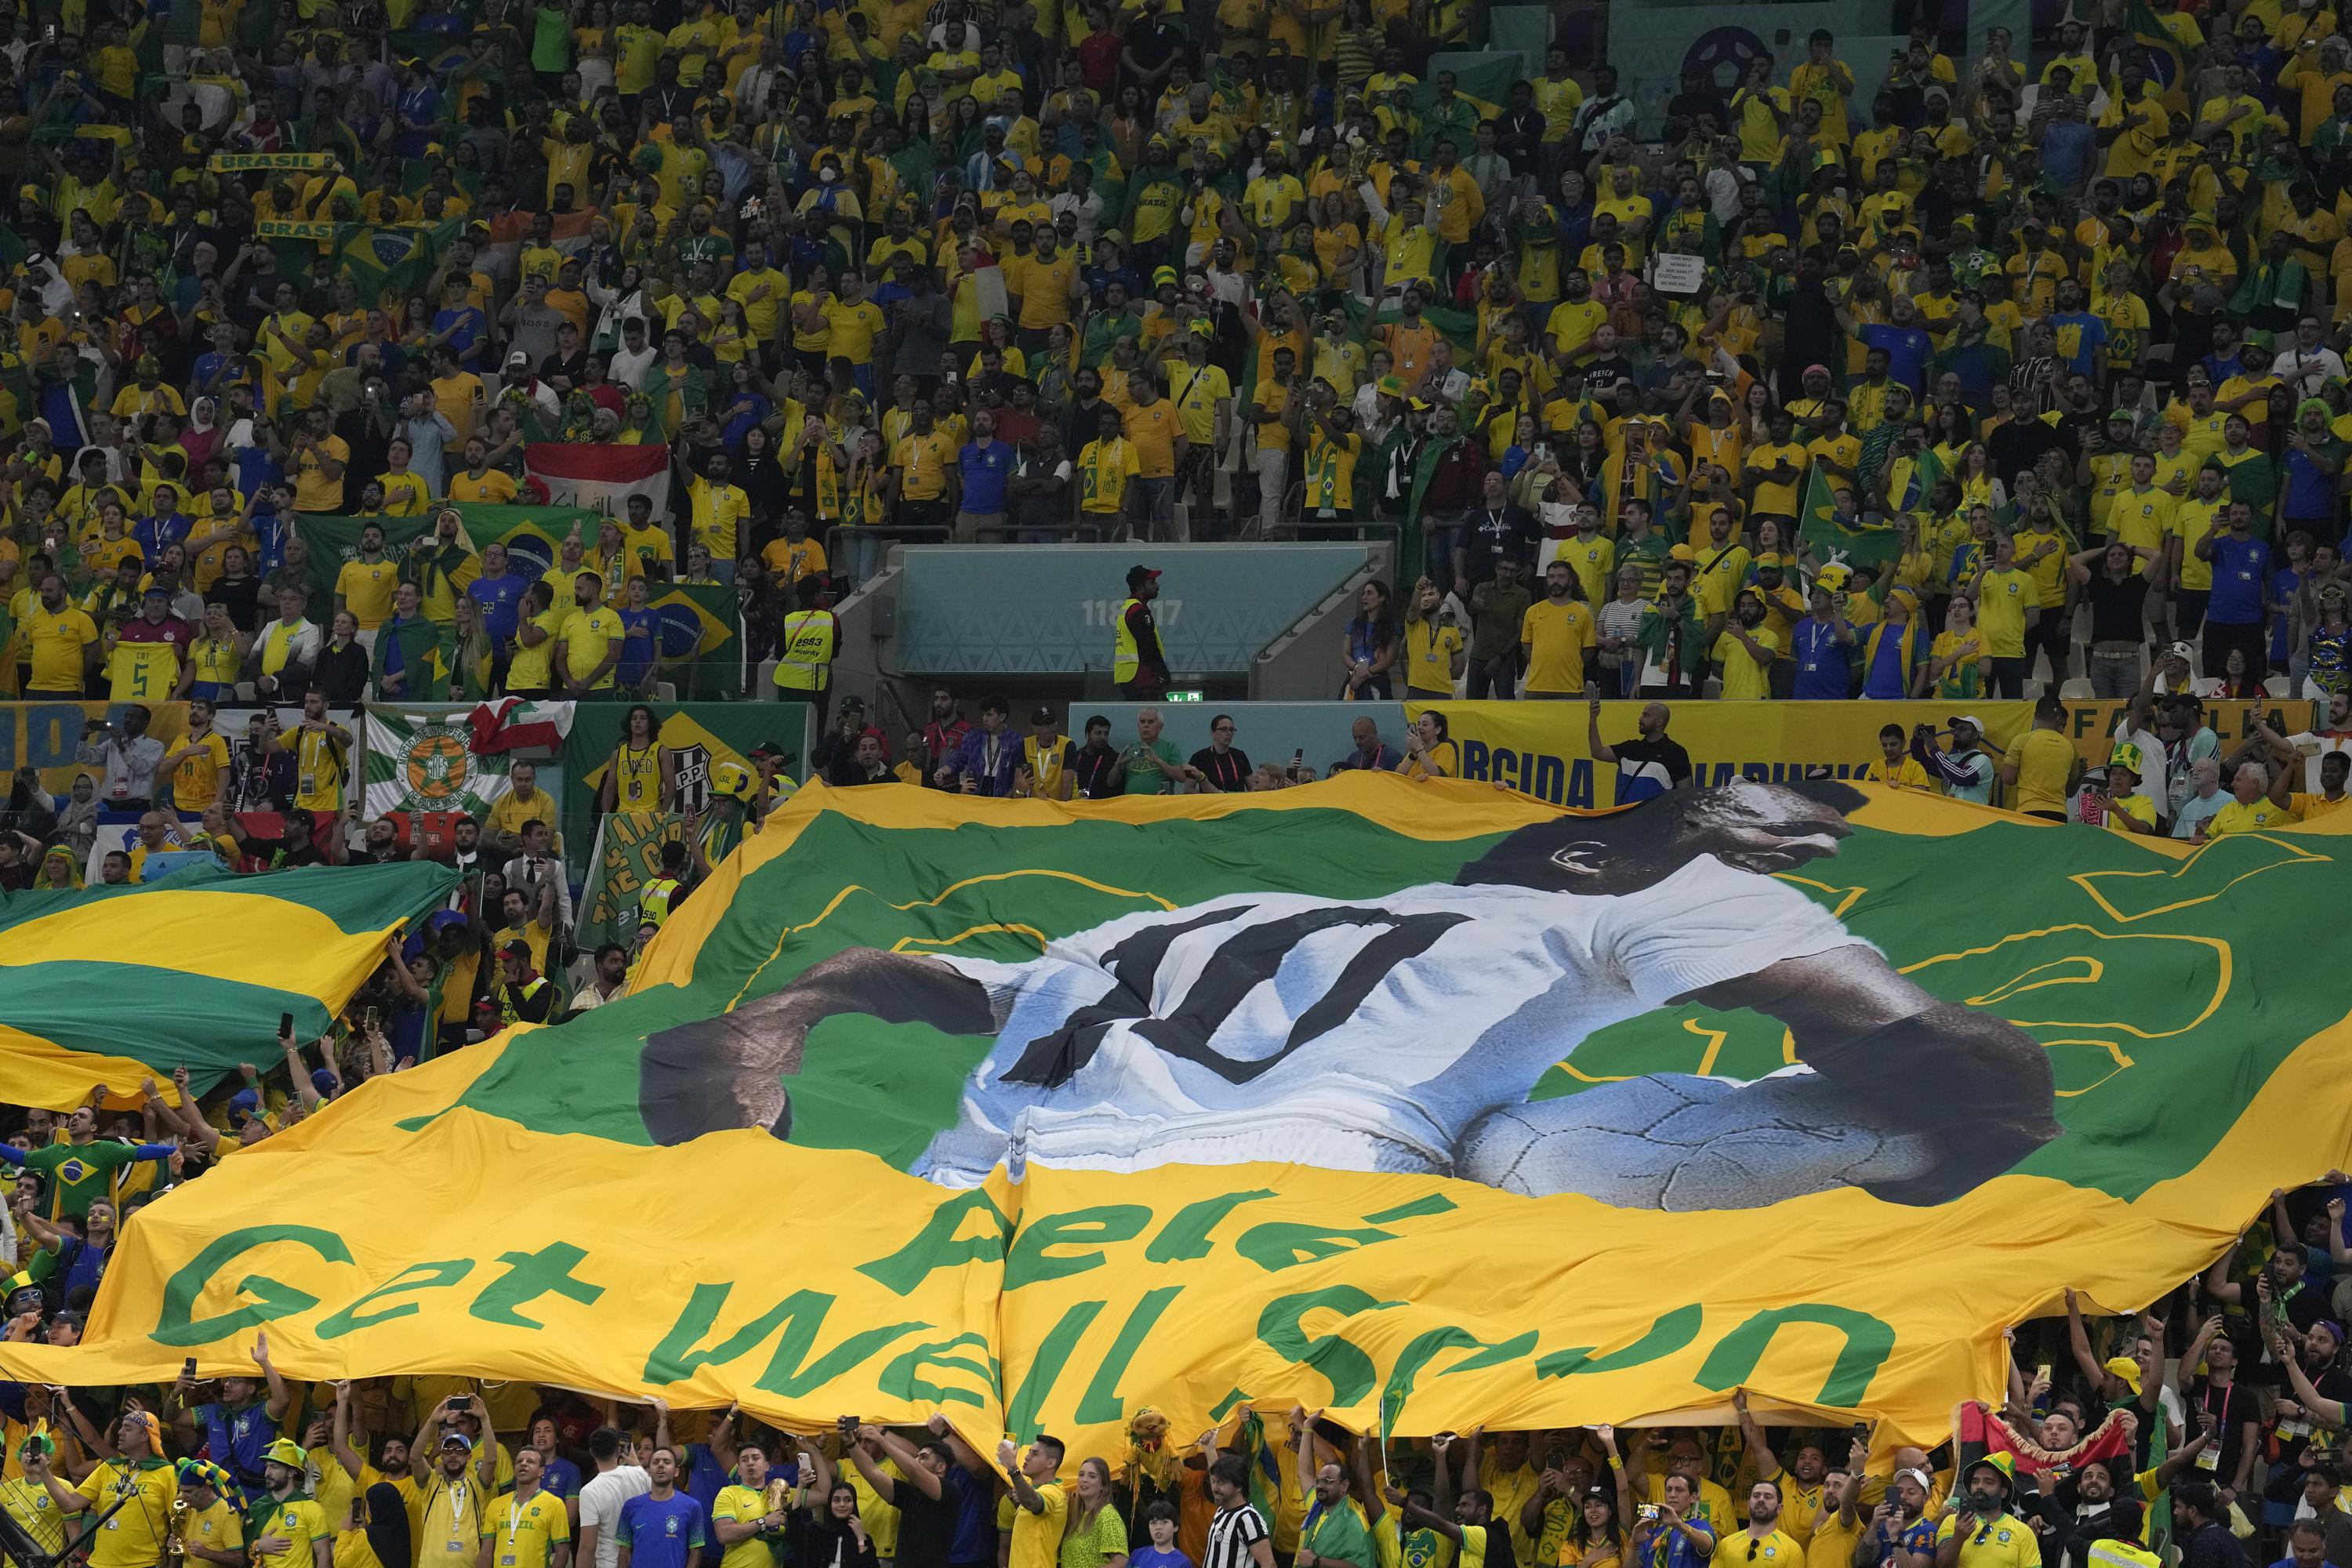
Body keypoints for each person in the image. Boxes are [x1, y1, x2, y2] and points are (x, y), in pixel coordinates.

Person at [638, 780, 2061, 1212]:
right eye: (1744, 827)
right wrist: (1957, 1104)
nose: (1777, 854)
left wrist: (770, 1030)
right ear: (1589, 854)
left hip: (981, 1206)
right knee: (1525, 1151)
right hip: (1295, 1199)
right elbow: (1907, 1039)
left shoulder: (1206, 916)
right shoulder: (1626, 894)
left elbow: (885, 977)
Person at [1588, 697, 1692, 801]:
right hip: (1628, 815)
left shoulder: (1676, 752)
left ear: (1659, 721)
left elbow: (1685, 795)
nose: (1640, 718)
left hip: (1659, 816)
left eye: (1646, 715)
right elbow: (1598, 752)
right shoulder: (1630, 748)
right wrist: (1593, 718)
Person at [2001, 696, 2078, 822]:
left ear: (2035, 715)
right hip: (2059, 814)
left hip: (2028, 810)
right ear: (2058, 718)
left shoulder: (2021, 740)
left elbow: (2007, 778)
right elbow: (2071, 787)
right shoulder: (2070, 746)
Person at [1114, 564, 1171, 699]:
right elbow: (1149, 647)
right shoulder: (1138, 612)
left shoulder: (1128, 608)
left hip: (1129, 676)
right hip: (1141, 677)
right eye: (1152, 582)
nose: (1157, 586)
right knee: (1151, 717)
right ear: (1140, 588)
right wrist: (1163, 673)